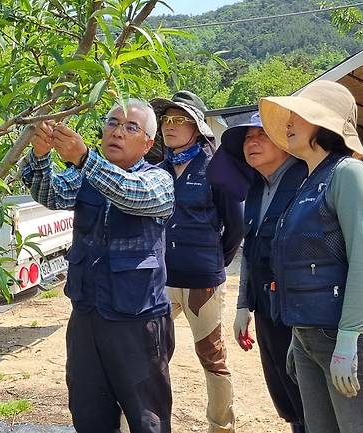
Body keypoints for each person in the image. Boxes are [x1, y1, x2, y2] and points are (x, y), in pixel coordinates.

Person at [22, 98, 176, 433]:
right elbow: (51, 194)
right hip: (88, 316)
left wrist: (83, 158)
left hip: (137, 321)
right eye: (111, 123)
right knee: (88, 412)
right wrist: (39, 155)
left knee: (147, 418)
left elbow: (130, 194)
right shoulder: (87, 176)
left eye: (130, 127)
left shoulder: (158, 181)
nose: (117, 131)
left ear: (148, 142)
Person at [259, 80, 363, 433]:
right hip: (307, 338)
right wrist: (297, 338)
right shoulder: (307, 181)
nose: (288, 123)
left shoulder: (348, 174)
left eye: (299, 116)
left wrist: (349, 338)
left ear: (325, 124)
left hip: (347, 338)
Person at [150, 91, 243, 433]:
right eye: (165, 120)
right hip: (160, 281)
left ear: (197, 127)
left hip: (203, 281)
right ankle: (147, 424)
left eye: (179, 120)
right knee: (149, 354)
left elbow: (237, 224)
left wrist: (215, 260)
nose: (169, 127)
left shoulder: (221, 167)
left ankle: (221, 427)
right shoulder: (157, 170)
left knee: (212, 358)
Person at [220, 112, 307, 433]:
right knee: (286, 394)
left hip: (299, 311)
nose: (252, 142)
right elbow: (251, 248)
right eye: (246, 137)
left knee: (309, 395)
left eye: (261, 134)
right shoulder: (256, 188)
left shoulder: (305, 181)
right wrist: (244, 305)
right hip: (265, 309)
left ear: (285, 141)